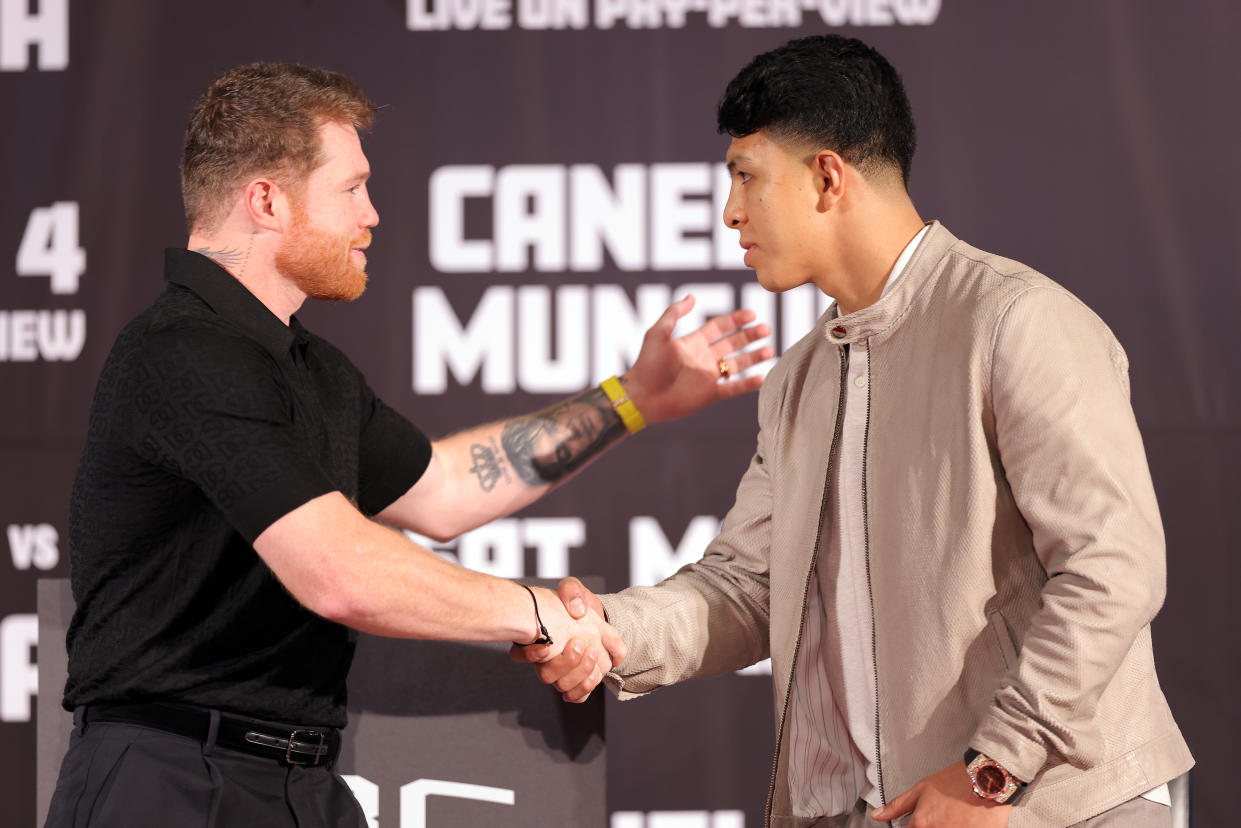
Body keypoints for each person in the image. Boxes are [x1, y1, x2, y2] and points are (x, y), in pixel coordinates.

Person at [44, 62, 773, 828]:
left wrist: (633, 399)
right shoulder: (184, 351)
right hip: (169, 782)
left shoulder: (309, 369)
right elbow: (338, 571)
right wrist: (536, 612)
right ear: (265, 199)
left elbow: (448, 488)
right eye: (351, 188)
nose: (373, 215)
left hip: (300, 781)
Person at [514, 35, 1193, 828]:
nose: (730, 211)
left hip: (1052, 805)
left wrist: (991, 768)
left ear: (827, 177)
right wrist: (613, 630)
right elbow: (749, 586)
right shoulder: (799, 377)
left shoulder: (1014, 320)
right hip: (888, 809)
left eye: (745, 177)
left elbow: (1112, 568)